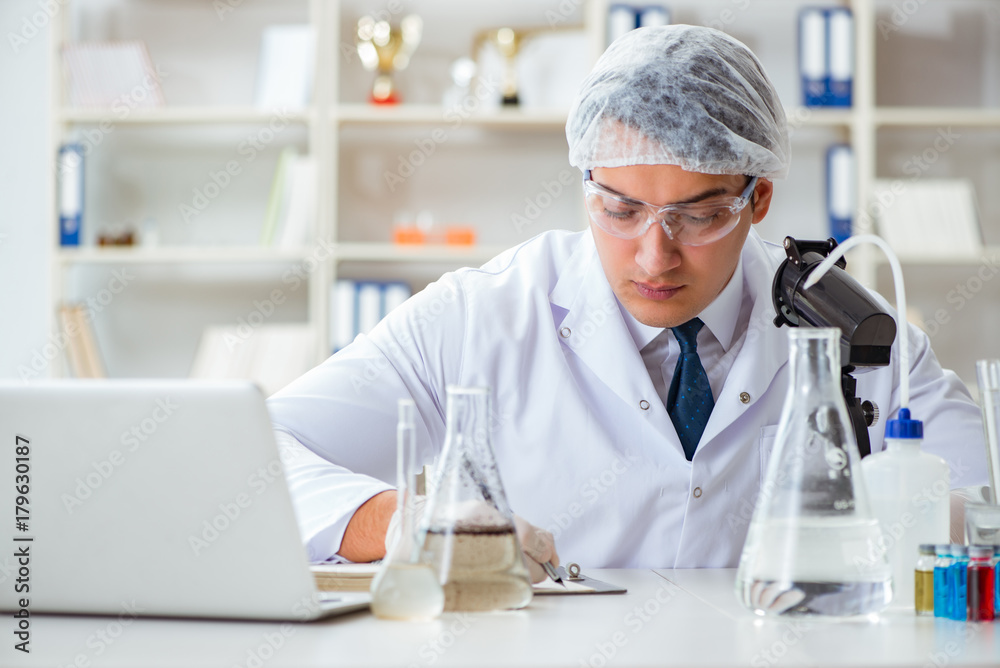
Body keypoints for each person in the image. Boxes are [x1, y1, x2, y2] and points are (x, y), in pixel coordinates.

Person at [268, 26, 987, 577]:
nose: (654, 256)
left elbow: (984, 513)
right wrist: (407, 525)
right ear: (587, 183)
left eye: (698, 216)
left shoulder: (855, 334)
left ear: (759, 198)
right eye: (620, 209)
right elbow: (259, 459)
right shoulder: (482, 315)